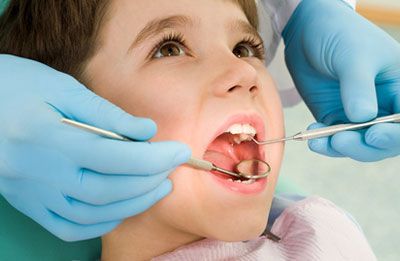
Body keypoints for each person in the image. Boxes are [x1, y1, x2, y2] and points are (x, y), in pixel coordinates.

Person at [0, 0, 378, 260]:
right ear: (73, 110)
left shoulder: (316, 231)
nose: (244, 73)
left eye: (245, 47)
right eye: (169, 49)